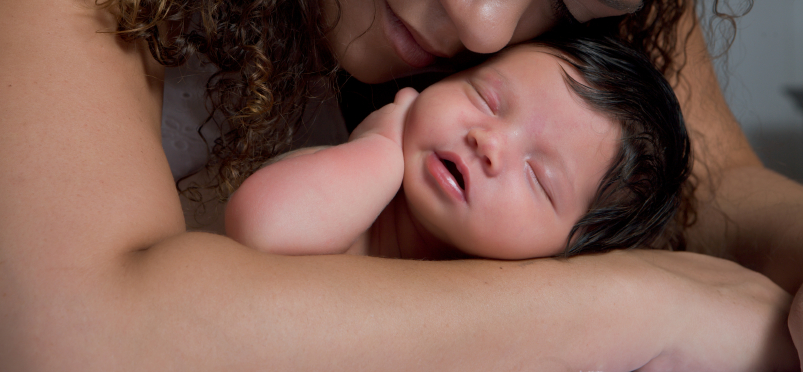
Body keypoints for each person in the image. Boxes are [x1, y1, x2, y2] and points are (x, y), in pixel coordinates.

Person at [0, 0, 803, 369]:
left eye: (574, 4)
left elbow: (718, 188)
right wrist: (645, 308)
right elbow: (71, 335)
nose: (491, 29)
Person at [226, 36, 693, 261]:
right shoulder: (346, 181)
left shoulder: (503, 315)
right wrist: (381, 148)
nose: (489, 142)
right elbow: (259, 228)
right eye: (486, 99)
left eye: (537, 176)